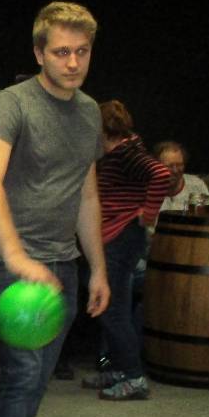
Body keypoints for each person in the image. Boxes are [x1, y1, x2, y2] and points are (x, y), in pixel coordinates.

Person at [0, 1, 110, 417]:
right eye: (61, 52)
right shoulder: (11, 103)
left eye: (82, 52)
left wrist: (98, 268)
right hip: (7, 261)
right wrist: (15, 255)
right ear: (39, 53)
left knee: (35, 377)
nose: (73, 63)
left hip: (61, 263)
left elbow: (87, 194)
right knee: (24, 371)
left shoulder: (90, 112)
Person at [84, 101, 171, 400]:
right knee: (110, 307)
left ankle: (134, 377)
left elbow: (161, 174)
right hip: (114, 236)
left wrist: (148, 213)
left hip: (122, 237)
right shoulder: (115, 154)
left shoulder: (126, 153)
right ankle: (120, 368)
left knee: (113, 310)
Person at [153, 141, 209, 214]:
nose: (175, 170)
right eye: (169, 166)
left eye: (179, 165)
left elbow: (208, 216)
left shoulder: (197, 185)